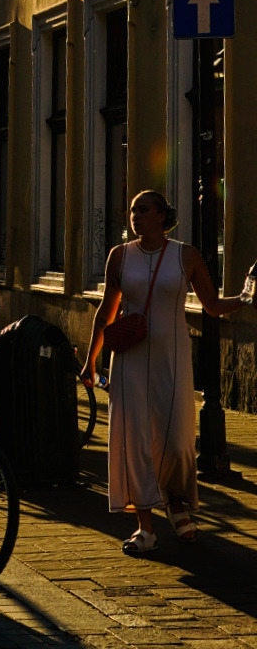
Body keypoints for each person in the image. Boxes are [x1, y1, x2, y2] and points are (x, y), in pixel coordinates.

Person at [81, 189, 246, 555]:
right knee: (134, 439)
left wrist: (246, 298)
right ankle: (145, 527)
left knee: (173, 440)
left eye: (143, 210)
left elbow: (212, 305)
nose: (135, 216)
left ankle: (174, 502)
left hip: (172, 359)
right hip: (129, 360)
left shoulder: (185, 255)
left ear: (161, 216)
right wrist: (90, 361)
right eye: (132, 211)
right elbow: (107, 310)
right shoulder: (120, 256)